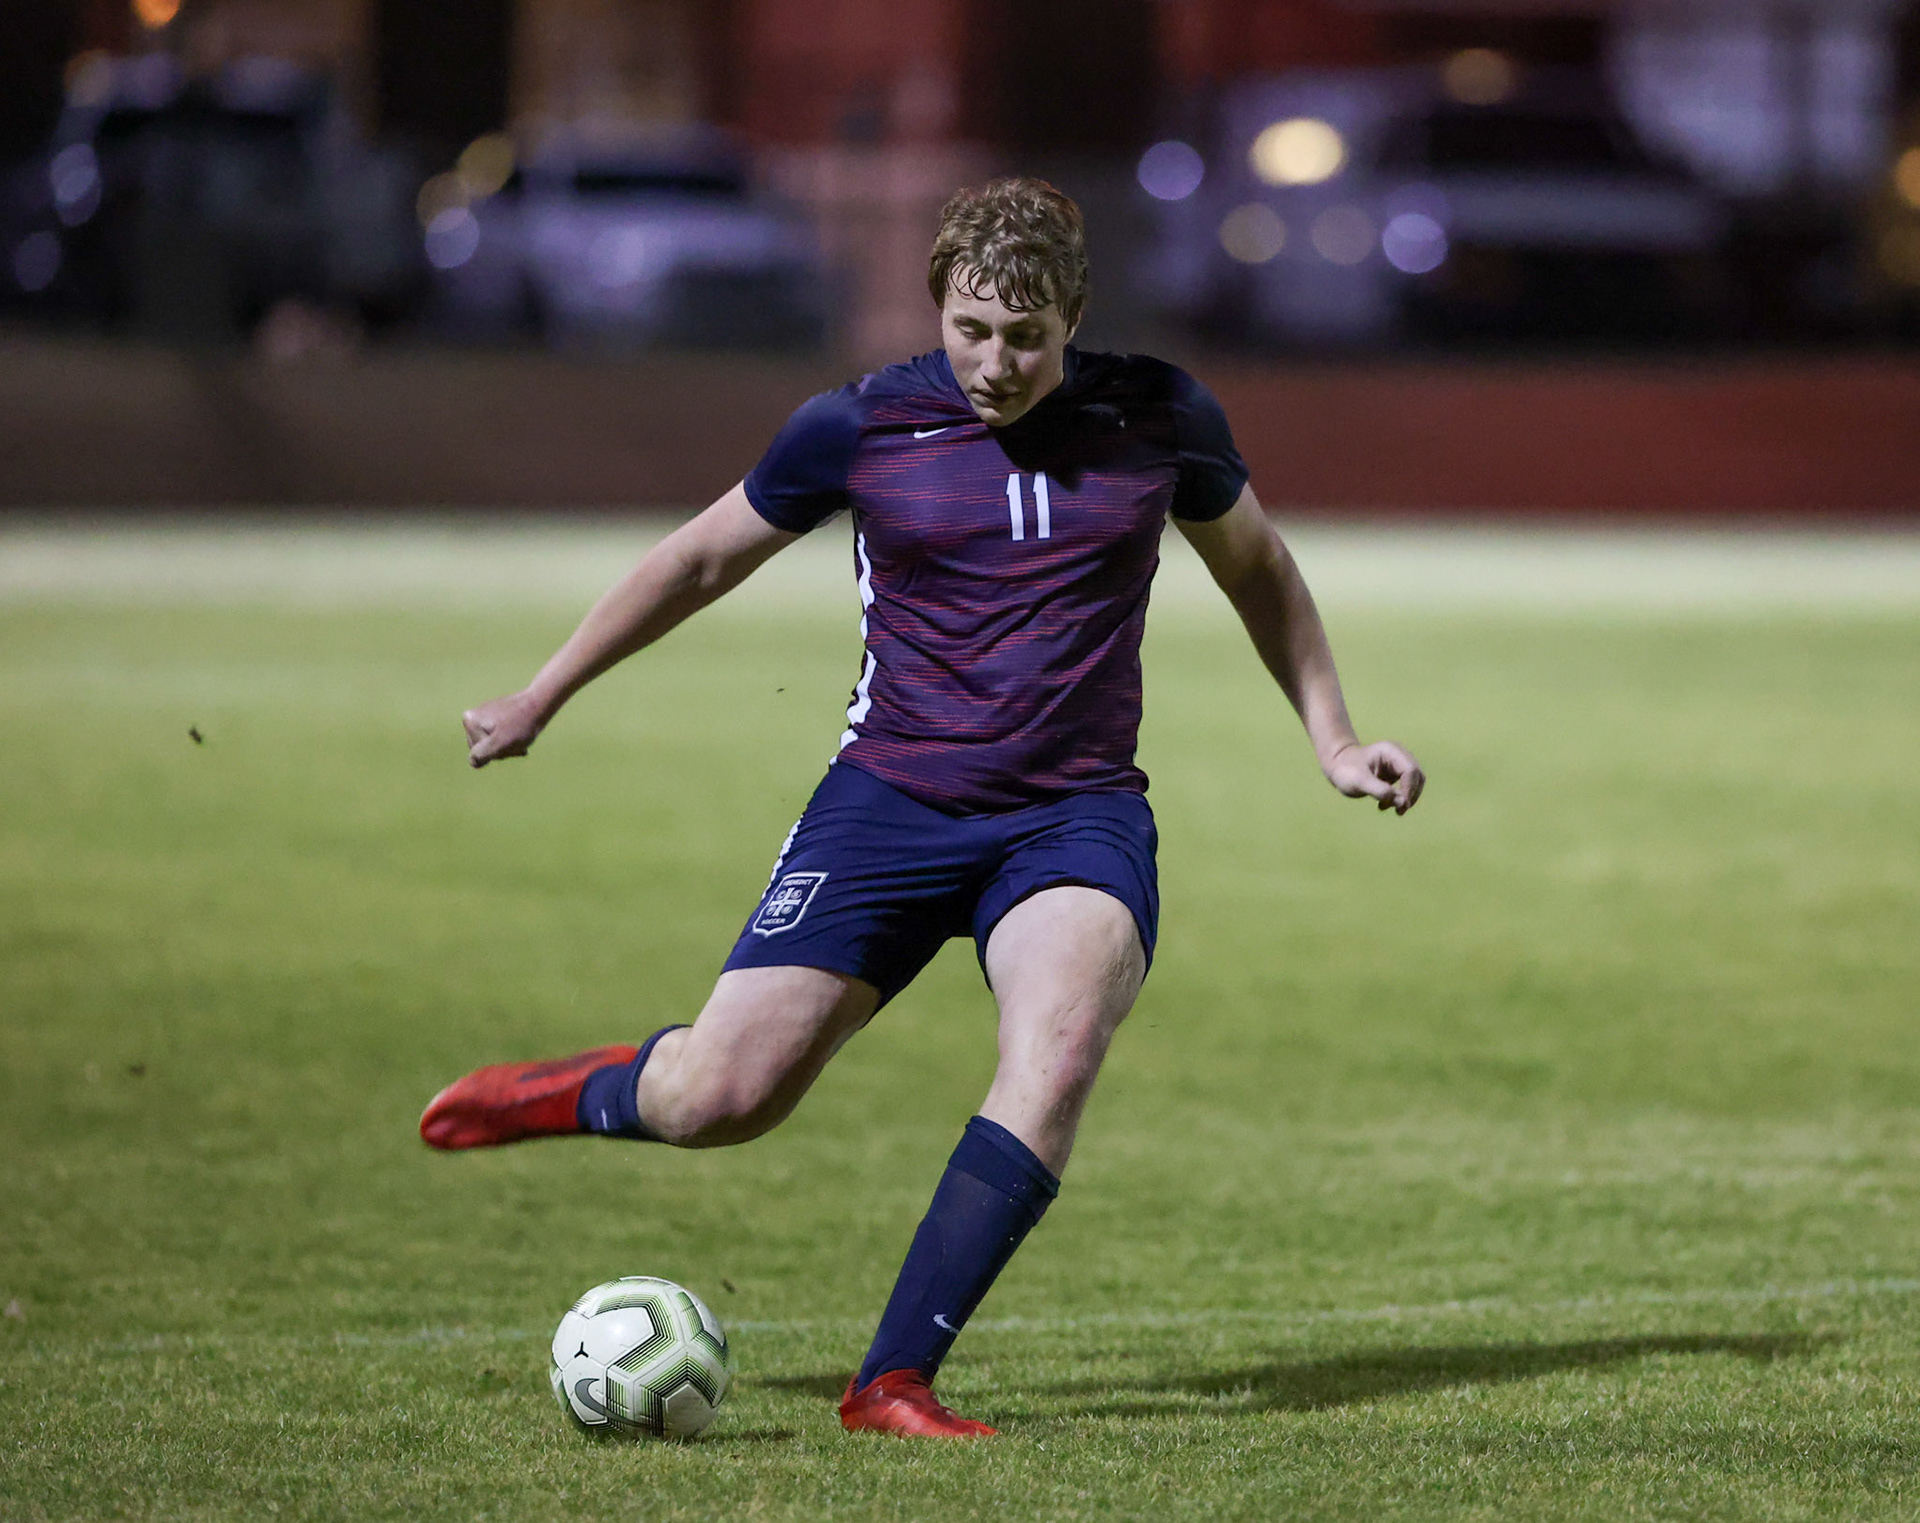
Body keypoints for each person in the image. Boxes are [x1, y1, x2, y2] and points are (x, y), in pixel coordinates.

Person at [421, 178, 1424, 1439]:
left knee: (1055, 1054)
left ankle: (890, 1379)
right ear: (937, 307)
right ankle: (563, 1090)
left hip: (1074, 817)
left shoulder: (1160, 416)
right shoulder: (860, 425)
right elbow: (697, 557)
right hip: (888, 802)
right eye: (971, 329)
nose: (995, 362)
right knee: (723, 1100)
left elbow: (1261, 569)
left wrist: (1332, 737)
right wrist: (542, 691)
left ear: (1075, 318)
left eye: (1025, 336)